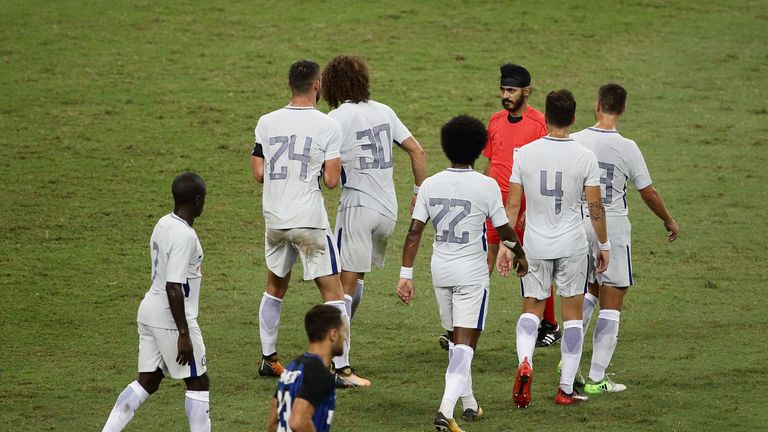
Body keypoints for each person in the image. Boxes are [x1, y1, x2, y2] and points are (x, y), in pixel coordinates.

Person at [397, 115, 528, 431]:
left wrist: (405, 274)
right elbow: (504, 229)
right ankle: (445, 410)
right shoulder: (486, 186)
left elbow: (414, 232)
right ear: (480, 147)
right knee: (466, 345)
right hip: (471, 273)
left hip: (440, 271)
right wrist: (521, 255)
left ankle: (469, 404)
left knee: (457, 342)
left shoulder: (430, 185)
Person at [251, 59, 366, 388]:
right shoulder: (328, 126)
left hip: (275, 220)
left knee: (275, 288)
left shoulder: (266, 121)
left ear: (290, 85)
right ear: (317, 85)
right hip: (309, 222)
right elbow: (331, 181)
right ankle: (342, 370)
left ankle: (268, 358)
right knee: (335, 294)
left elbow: (259, 172)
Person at [497, 89, 609, 406]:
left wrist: (508, 245)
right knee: (572, 317)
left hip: (534, 244)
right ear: (573, 118)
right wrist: (604, 243)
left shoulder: (525, 154)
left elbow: (513, 206)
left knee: (531, 308)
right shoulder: (585, 156)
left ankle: (526, 361)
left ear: (545, 117)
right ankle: (564, 389)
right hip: (572, 245)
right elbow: (596, 206)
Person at [320, 54, 427, 382]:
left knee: (340, 287)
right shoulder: (384, 111)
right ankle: (336, 349)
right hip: (388, 211)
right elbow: (418, 151)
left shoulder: (335, 118)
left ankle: (340, 366)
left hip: (357, 208)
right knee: (357, 281)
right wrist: (418, 192)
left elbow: (327, 171)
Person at [571, 83, 679, 394]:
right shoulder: (627, 147)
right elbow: (648, 192)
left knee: (587, 292)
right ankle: (596, 379)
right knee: (612, 302)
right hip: (612, 227)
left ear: (596, 105)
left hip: (578, 224)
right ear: (623, 109)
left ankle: (570, 360)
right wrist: (668, 220)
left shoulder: (576, 140)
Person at [102, 172, 210, 431]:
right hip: (170, 316)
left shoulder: (163, 223)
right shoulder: (185, 236)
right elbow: (174, 286)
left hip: (149, 310)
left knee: (147, 381)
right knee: (198, 383)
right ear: (196, 200)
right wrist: (183, 333)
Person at [474, 63, 560, 350]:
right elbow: (491, 162)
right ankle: (467, 323)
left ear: (527, 91)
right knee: (483, 262)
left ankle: (548, 325)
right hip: (495, 210)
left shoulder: (539, 124)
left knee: (532, 268)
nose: (505, 96)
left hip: (524, 213)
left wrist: (527, 212)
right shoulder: (496, 120)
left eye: (511, 91)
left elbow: (544, 171)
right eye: (502, 90)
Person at [266, 305, 345, 432]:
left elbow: (272, 424)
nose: (345, 338)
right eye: (343, 332)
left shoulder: (292, 368)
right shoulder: (320, 373)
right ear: (333, 334)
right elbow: (298, 422)